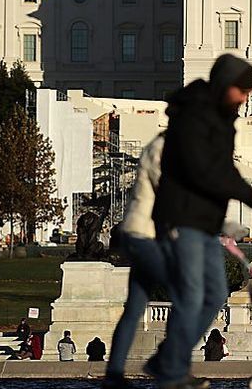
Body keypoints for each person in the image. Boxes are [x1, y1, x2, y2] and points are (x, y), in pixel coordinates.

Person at [151, 54, 252, 389]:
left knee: (214, 290)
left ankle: (168, 358)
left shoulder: (218, 118)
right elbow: (205, 170)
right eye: (243, 91)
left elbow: (223, 169)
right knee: (198, 291)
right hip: (182, 216)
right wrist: (251, 196)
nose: (246, 99)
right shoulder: (197, 117)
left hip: (201, 220)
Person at [104, 134, 169, 389]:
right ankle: (168, 363)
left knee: (134, 306)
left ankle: (114, 374)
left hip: (141, 235)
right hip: (144, 236)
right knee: (191, 292)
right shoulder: (164, 148)